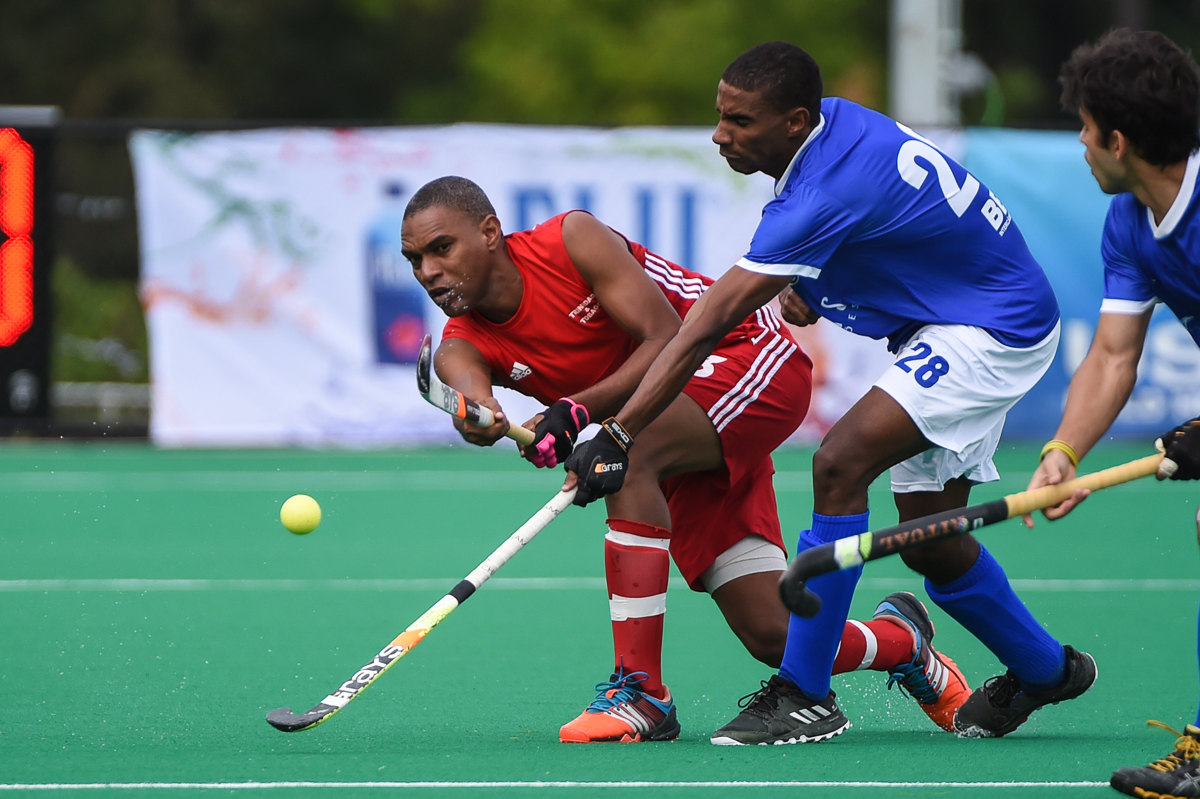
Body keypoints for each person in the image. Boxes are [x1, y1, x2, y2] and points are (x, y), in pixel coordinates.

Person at [563, 40, 1098, 745]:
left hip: (989, 327)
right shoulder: (831, 127)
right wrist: (817, 282)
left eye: (740, 122)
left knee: (839, 462)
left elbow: (701, 329)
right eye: (720, 116)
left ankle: (804, 693)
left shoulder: (822, 190)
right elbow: (891, 226)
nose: (721, 134)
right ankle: (1046, 669)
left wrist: (620, 432)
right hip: (956, 315)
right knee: (930, 541)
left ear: (793, 121)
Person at [400, 175, 971, 743]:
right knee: (774, 634)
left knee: (626, 451)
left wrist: (576, 411)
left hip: (742, 355)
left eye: (440, 248)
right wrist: (480, 416)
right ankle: (904, 642)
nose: (428, 271)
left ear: (491, 232)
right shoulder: (463, 340)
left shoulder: (571, 239)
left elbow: (664, 337)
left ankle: (642, 692)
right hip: (672, 430)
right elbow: (466, 385)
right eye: (415, 260)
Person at [1028, 29, 1200, 798]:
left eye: (1086, 129)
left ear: (1119, 140)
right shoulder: (1132, 220)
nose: (1081, 144)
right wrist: (1066, 448)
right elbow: (1112, 357)